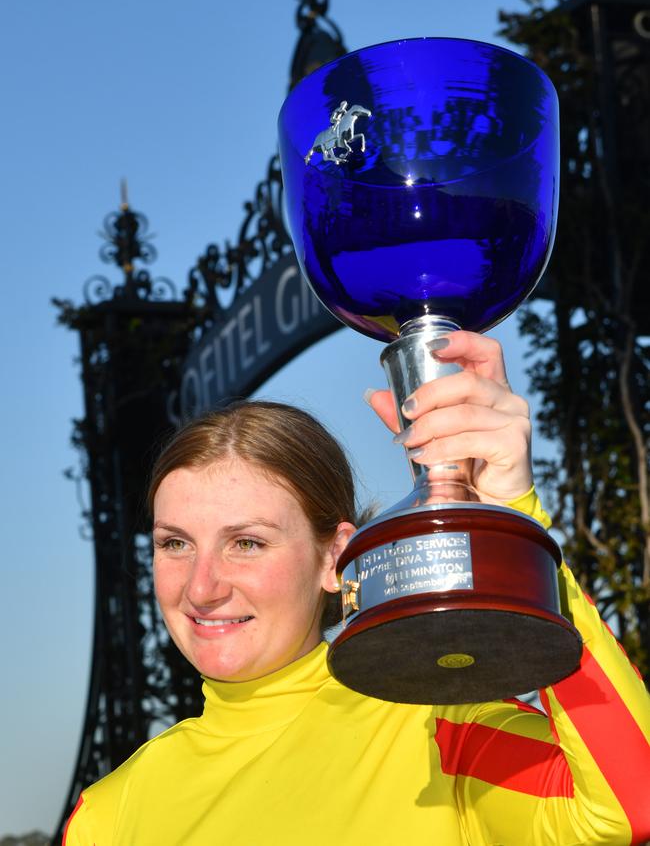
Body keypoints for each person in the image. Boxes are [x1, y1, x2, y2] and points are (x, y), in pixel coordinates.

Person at [63, 331, 650, 846]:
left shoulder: (433, 725)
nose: (202, 586)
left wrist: (512, 528)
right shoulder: (107, 814)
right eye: (175, 544)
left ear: (335, 558)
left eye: (247, 542)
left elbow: (631, 805)